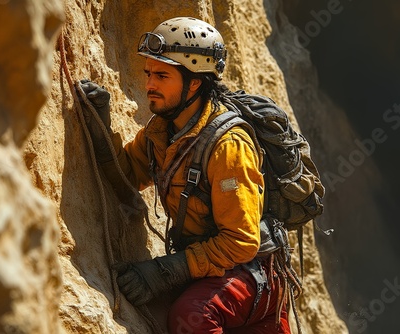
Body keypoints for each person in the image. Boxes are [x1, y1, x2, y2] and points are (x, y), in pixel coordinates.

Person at [79, 17, 291, 333]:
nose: (150, 84)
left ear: (194, 83)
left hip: (252, 272)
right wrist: (100, 127)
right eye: (149, 73)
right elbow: (129, 175)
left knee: (192, 316)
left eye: (162, 75)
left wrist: (164, 272)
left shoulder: (228, 146)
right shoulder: (163, 130)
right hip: (214, 267)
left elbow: (241, 241)